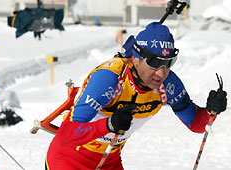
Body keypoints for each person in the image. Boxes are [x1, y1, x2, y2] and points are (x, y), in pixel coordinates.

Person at [45, 22, 227, 170]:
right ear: (135, 59)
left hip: (108, 161)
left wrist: (212, 111)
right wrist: (108, 125)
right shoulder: (110, 79)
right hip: (68, 161)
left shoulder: (168, 84)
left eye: (168, 63)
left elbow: (196, 124)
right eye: (154, 63)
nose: (161, 73)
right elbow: (65, 136)